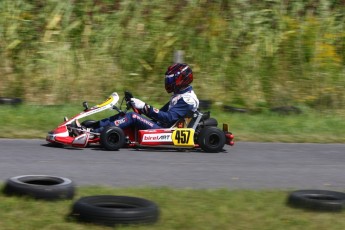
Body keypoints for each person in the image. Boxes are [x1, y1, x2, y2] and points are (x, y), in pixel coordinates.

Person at [79, 63, 199, 134]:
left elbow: (168, 118)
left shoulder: (188, 99)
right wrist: (141, 108)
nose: (169, 82)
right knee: (123, 115)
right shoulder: (179, 95)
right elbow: (160, 114)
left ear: (182, 80)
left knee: (132, 116)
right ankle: (92, 127)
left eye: (171, 80)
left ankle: (94, 134)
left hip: (166, 131)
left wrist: (144, 106)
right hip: (162, 125)